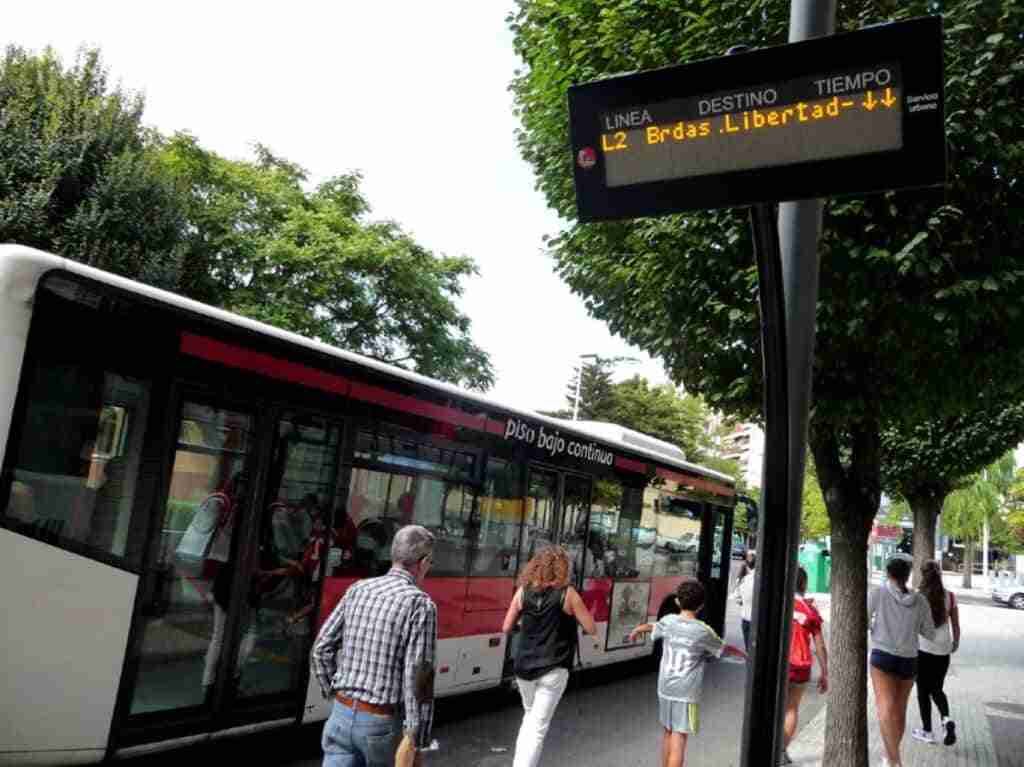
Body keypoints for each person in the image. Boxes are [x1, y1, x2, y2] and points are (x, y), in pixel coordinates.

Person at [311, 525, 438, 767]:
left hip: (341, 712)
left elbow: (321, 649)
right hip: (379, 722)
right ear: (422, 563)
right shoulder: (419, 604)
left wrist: (334, 692)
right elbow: (419, 675)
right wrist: (416, 737)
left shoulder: (358, 589)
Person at [629, 578, 747, 767]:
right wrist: (743, 653)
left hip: (665, 687)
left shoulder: (668, 621)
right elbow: (723, 648)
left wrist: (638, 629)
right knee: (679, 737)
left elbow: (653, 627)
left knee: (668, 731)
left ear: (677, 601)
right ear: (701, 605)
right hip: (686, 693)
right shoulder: (703, 631)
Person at [502, 546, 596, 767]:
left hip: (524, 668)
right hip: (554, 668)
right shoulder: (568, 594)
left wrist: (524, 623)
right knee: (538, 727)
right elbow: (591, 628)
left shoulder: (522, 591)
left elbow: (506, 627)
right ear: (562, 568)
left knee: (530, 718)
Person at [868, 553, 937, 767]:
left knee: (885, 709)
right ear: (907, 576)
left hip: (882, 655)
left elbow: (861, 618)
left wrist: (875, 628)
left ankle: (895, 761)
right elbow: (930, 633)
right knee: (899, 710)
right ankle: (891, 759)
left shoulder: (878, 593)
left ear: (888, 573)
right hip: (909, 659)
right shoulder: (920, 600)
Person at [781, 567, 828, 765]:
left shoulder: (781, 603)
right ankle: (781, 751)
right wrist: (825, 672)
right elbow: (820, 645)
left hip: (781, 663)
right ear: (804, 584)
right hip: (801, 665)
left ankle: (769, 745)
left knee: (775, 707)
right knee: (791, 708)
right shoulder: (810, 610)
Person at [912, 559, 960, 746]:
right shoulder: (951, 597)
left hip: (923, 649)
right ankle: (946, 720)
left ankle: (927, 731)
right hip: (943, 649)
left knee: (923, 691)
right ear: (939, 574)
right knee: (937, 689)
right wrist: (955, 642)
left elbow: (912, 625)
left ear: (923, 575)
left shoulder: (918, 597)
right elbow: (955, 624)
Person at [733, 552, 757, 652]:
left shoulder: (743, 580)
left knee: (749, 650)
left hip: (746, 618)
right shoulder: (761, 579)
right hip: (758, 620)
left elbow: (737, 598)